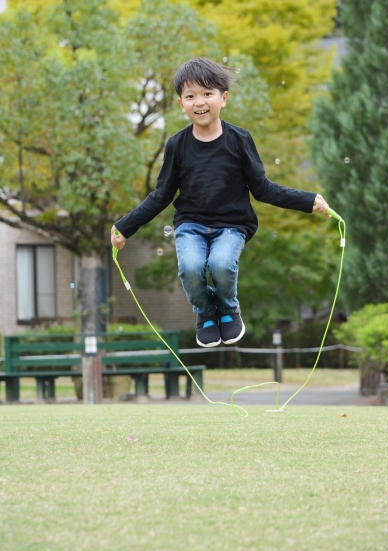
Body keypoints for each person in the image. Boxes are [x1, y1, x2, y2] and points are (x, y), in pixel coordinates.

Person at [111, 58, 329, 348]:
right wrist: (125, 227)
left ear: (223, 98)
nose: (199, 102)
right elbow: (161, 195)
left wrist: (308, 200)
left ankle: (227, 308)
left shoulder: (239, 140)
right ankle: (205, 312)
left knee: (221, 263)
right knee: (191, 267)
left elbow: (263, 189)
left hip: (233, 224)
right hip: (191, 225)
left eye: (207, 93)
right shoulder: (177, 145)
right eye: (190, 96)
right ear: (181, 104)